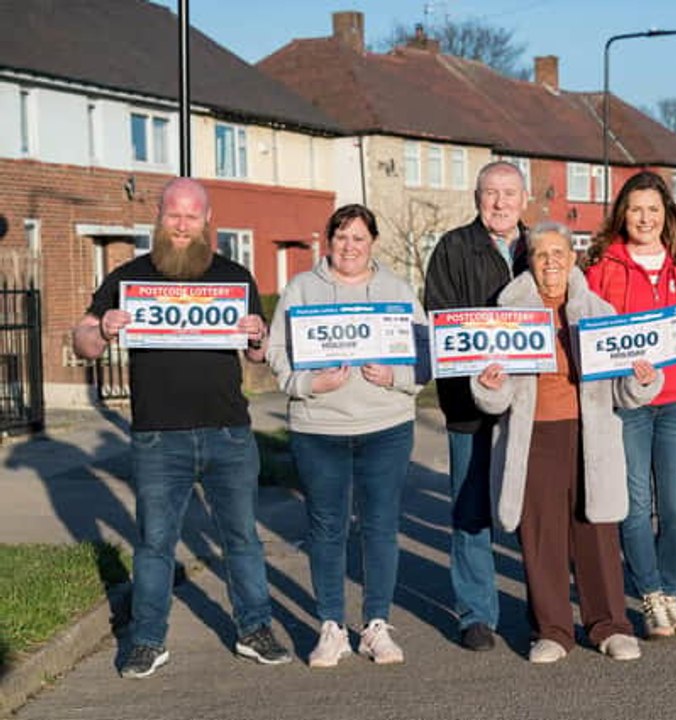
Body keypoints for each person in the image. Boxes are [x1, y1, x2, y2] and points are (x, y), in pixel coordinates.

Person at [72, 177, 291, 678]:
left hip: (228, 432)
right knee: (155, 543)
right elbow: (83, 340)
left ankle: (255, 630)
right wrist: (102, 328)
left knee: (242, 539)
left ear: (208, 220)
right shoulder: (129, 278)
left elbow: (258, 355)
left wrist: (258, 335)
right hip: (158, 436)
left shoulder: (235, 277)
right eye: (174, 214)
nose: (182, 225)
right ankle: (147, 640)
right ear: (159, 215)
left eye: (192, 216)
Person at [471, 222, 661, 662]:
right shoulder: (506, 313)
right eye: (542, 255)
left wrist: (640, 380)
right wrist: (490, 385)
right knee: (542, 536)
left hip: (589, 433)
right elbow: (495, 393)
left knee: (597, 531)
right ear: (530, 262)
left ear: (573, 259)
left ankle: (610, 625)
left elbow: (621, 390)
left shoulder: (599, 311)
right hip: (534, 434)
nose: (551, 262)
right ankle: (552, 631)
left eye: (559, 253)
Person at [267, 204, 429, 667]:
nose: (350, 246)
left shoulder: (397, 290)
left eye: (358, 238)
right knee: (327, 528)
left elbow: (423, 355)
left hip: (386, 427)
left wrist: (396, 377)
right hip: (319, 429)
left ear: (372, 242)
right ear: (329, 241)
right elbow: (277, 351)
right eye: (341, 237)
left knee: (380, 526)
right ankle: (332, 627)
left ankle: (376, 625)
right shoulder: (301, 289)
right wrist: (307, 383)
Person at [585, 170, 676, 639]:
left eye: (653, 209)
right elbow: (589, 332)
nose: (644, 218)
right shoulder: (601, 267)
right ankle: (649, 595)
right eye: (635, 209)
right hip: (626, 404)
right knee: (636, 506)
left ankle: (669, 591)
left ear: (667, 214)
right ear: (622, 214)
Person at [424, 161, 529, 651]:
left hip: (530, 404)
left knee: (536, 512)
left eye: (509, 193)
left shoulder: (542, 247)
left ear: (524, 200)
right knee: (471, 511)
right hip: (468, 402)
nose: (500, 202)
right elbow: (441, 320)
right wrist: (479, 363)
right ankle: (477, 615)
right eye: (491, 193)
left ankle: (546, 611)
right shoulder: (453, 247)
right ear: (477, 198)